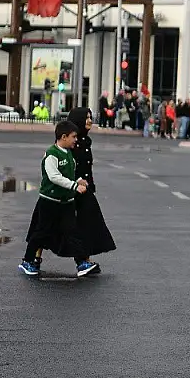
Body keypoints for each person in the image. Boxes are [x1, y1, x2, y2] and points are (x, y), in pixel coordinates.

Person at [20, 121, 97, 278]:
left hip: (66, 202)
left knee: (73, 232)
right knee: (41, 232)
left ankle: (82, 263)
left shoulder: (69, 153)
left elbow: (69, 174)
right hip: (50, 201)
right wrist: (75, 187)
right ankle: (27, 261)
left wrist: (79, 180)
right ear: (64, 137)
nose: (76, 139)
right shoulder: (52, 154)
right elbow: (54, 177)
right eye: (73, 136)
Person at [65, 106, 116, 268]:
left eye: (90, 117)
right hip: (73, 189)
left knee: (88, 224)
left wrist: (90, 185)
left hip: (86, 190)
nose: (89, 121)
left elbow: (88, 167)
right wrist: (76, 183)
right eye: (86, 118)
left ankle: (83, 259)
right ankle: (32, 258)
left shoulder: (86, 141)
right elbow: (67, 168)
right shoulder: (71, 143)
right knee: (67, 226)